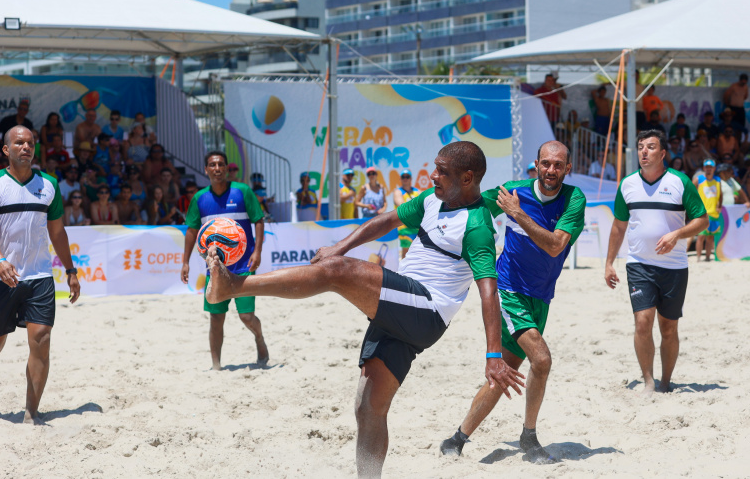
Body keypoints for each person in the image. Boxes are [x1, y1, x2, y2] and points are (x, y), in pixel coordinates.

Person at [203, 141, 524, 477]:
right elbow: (386, 220)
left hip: (425, 310)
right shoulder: (433, 200)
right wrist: (338, 246)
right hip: (404, 305)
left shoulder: (477, 226)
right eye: (435, 167)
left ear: (468, 178)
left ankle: (234, 286)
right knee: (368, 407)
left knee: (337, 272)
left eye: (443, 171)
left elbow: (488, 291)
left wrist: (492, 355)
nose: (433, 175)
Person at [439, 141, 584, 464]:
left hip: (541, 298)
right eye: (545, 163)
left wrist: (517, 214)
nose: (551, 170)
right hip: (508, 290)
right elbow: (469, 202)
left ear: (567, 168)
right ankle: (529, 437)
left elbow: (556, 246)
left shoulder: (574, 199)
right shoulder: (512, 192)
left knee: (504, 371)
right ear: (536, 164)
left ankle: (456, 438)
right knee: (542, 360)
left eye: (558, 165)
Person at [0, 125, 80, 424]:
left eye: (30, 143)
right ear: (6, 149)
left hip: (40, 277)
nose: (26, 147)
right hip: (1, 279)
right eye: (19, 143)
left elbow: (57, 232)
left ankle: (31, 413)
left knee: (42, 339)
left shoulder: (49, 185)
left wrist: (71, 271)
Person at [604, 130, 708, 395]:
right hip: (639, 264)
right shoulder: (627, 184)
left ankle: (665, 381)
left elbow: (702, 220)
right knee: (642, 322)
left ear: (663, 154)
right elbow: (618, 226)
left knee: (669, 327)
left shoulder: (680, 182)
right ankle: (648, 381)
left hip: (674, 267)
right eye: (640, 147)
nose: (644, 152)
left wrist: (677, 234)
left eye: (650, 147)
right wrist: (609, 263)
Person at [180, 151, 268, 371]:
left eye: (220, 164)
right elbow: (191, 230)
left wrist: (257, 251)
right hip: (215, 268)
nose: (217, 168)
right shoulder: (200, 198)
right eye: (212, 164)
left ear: (227, 168)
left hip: (244, 266)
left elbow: (258, 220)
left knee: (247, 317)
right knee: (216, 318)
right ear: (206, 169)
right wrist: (185, 262)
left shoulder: (243, 191)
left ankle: (259, 338)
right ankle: (216, 366)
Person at [695, 160, 722, 262]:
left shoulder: (718, 180)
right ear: (704, 168)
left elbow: (721, 195)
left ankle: (707, 257)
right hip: (702, 213)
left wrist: (720, 205)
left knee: (710, 237)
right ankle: (698, 258)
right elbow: (690, 192)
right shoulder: (699, 179)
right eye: (707, 167)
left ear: (714, 168)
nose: (709, 169)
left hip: (714, 213)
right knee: (701, 236)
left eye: (711, 167)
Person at [392, 169, 420, 259]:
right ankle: (403, 273)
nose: (405, 179)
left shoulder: (417, 191)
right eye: (403, 177)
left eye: (407, 176)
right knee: (406, 254)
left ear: (411, 178)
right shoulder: (398, 191)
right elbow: (402, 206)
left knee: (418, 254)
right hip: (404, 228)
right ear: (400, 179)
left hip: (418, 229)